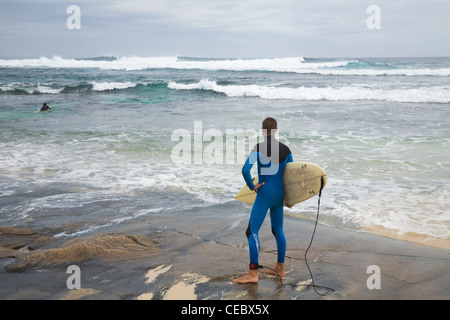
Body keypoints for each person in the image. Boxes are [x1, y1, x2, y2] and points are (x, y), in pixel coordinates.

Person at [233, 117, 294, 284]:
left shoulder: (258, 148)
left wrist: (252, 186)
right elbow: (292, 176)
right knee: (277, 230)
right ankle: (280, 269)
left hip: (265, 193)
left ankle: (253, 274)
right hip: (280, 195)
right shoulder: (286, 149)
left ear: (262, 129)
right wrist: (291, 198)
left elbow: (245, 170)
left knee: (251, 231)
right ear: (276, 130)